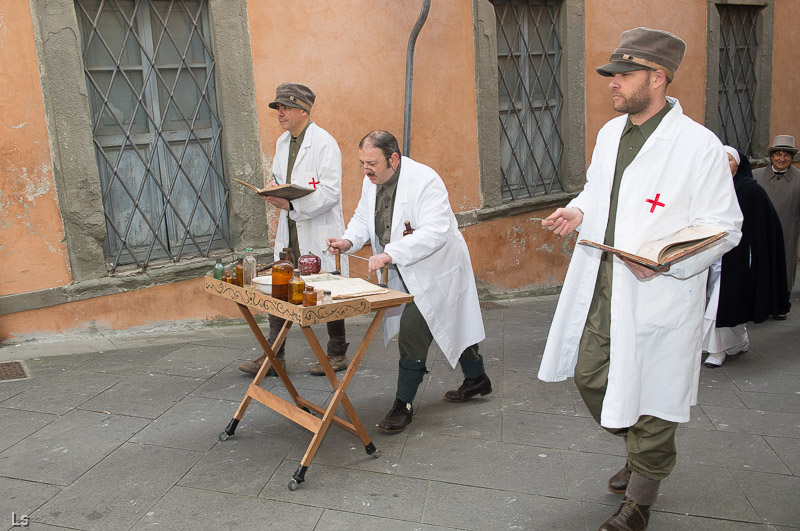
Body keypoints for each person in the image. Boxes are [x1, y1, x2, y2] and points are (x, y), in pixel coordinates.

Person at [538, 28, 742, 531]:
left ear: (658, 77)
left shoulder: (699, 146)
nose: (612, 83)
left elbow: (725, 227)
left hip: (659, 290)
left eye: (623, 75)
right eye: (612, 74)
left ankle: (641, 496)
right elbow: (597, 187)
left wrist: (666, 260)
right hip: (605, 280)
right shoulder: (612, 135)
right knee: (591, 374)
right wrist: (579, 210)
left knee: (653, 389)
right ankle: (640, 449)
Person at [326, 130, 491, 434]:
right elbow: (364, 217)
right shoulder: (371, 181)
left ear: (394, 159)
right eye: (362, 163)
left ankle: (403, 405)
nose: (366, 170)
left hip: (436, 269)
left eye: (371, 163)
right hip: (401, 269)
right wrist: (349, 241)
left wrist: (391, 253)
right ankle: (477, 379)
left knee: (413, 332)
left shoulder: (426, 181)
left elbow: (436, 231)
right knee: (450, 323)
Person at [239, 83, 350, 377]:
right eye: (278, 108)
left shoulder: (325, 143)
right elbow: (279, 177)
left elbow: (331, 193)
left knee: (328, 287)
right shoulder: (282, 144)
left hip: (316, 227)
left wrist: (293, 207)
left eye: (286, 107)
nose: (281, 113)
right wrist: (274, 190)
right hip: (289, 229)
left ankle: (337, 354)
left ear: (303, 110)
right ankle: (275, 358)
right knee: (281, 286)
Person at [702, 147, 790, 368]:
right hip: (709, 256)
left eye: (729, 159)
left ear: (738, 164)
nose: (723, 163)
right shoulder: (706, 187)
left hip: (737, 257)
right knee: (721, 303)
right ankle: (738, 342)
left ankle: (717, 350)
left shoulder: (751, 191)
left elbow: (767, 226)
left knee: (720, 304)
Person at [753, 134, 800, 313]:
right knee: (760, 267)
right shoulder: (756, 175)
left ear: (791, 158)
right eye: (778, 154)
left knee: (785, 269)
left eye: (786, 155)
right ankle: (759, 305)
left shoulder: (798, 179)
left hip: (788, 230)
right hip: (760, 231)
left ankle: (781, 305)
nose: (782, 159)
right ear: (771, 156)